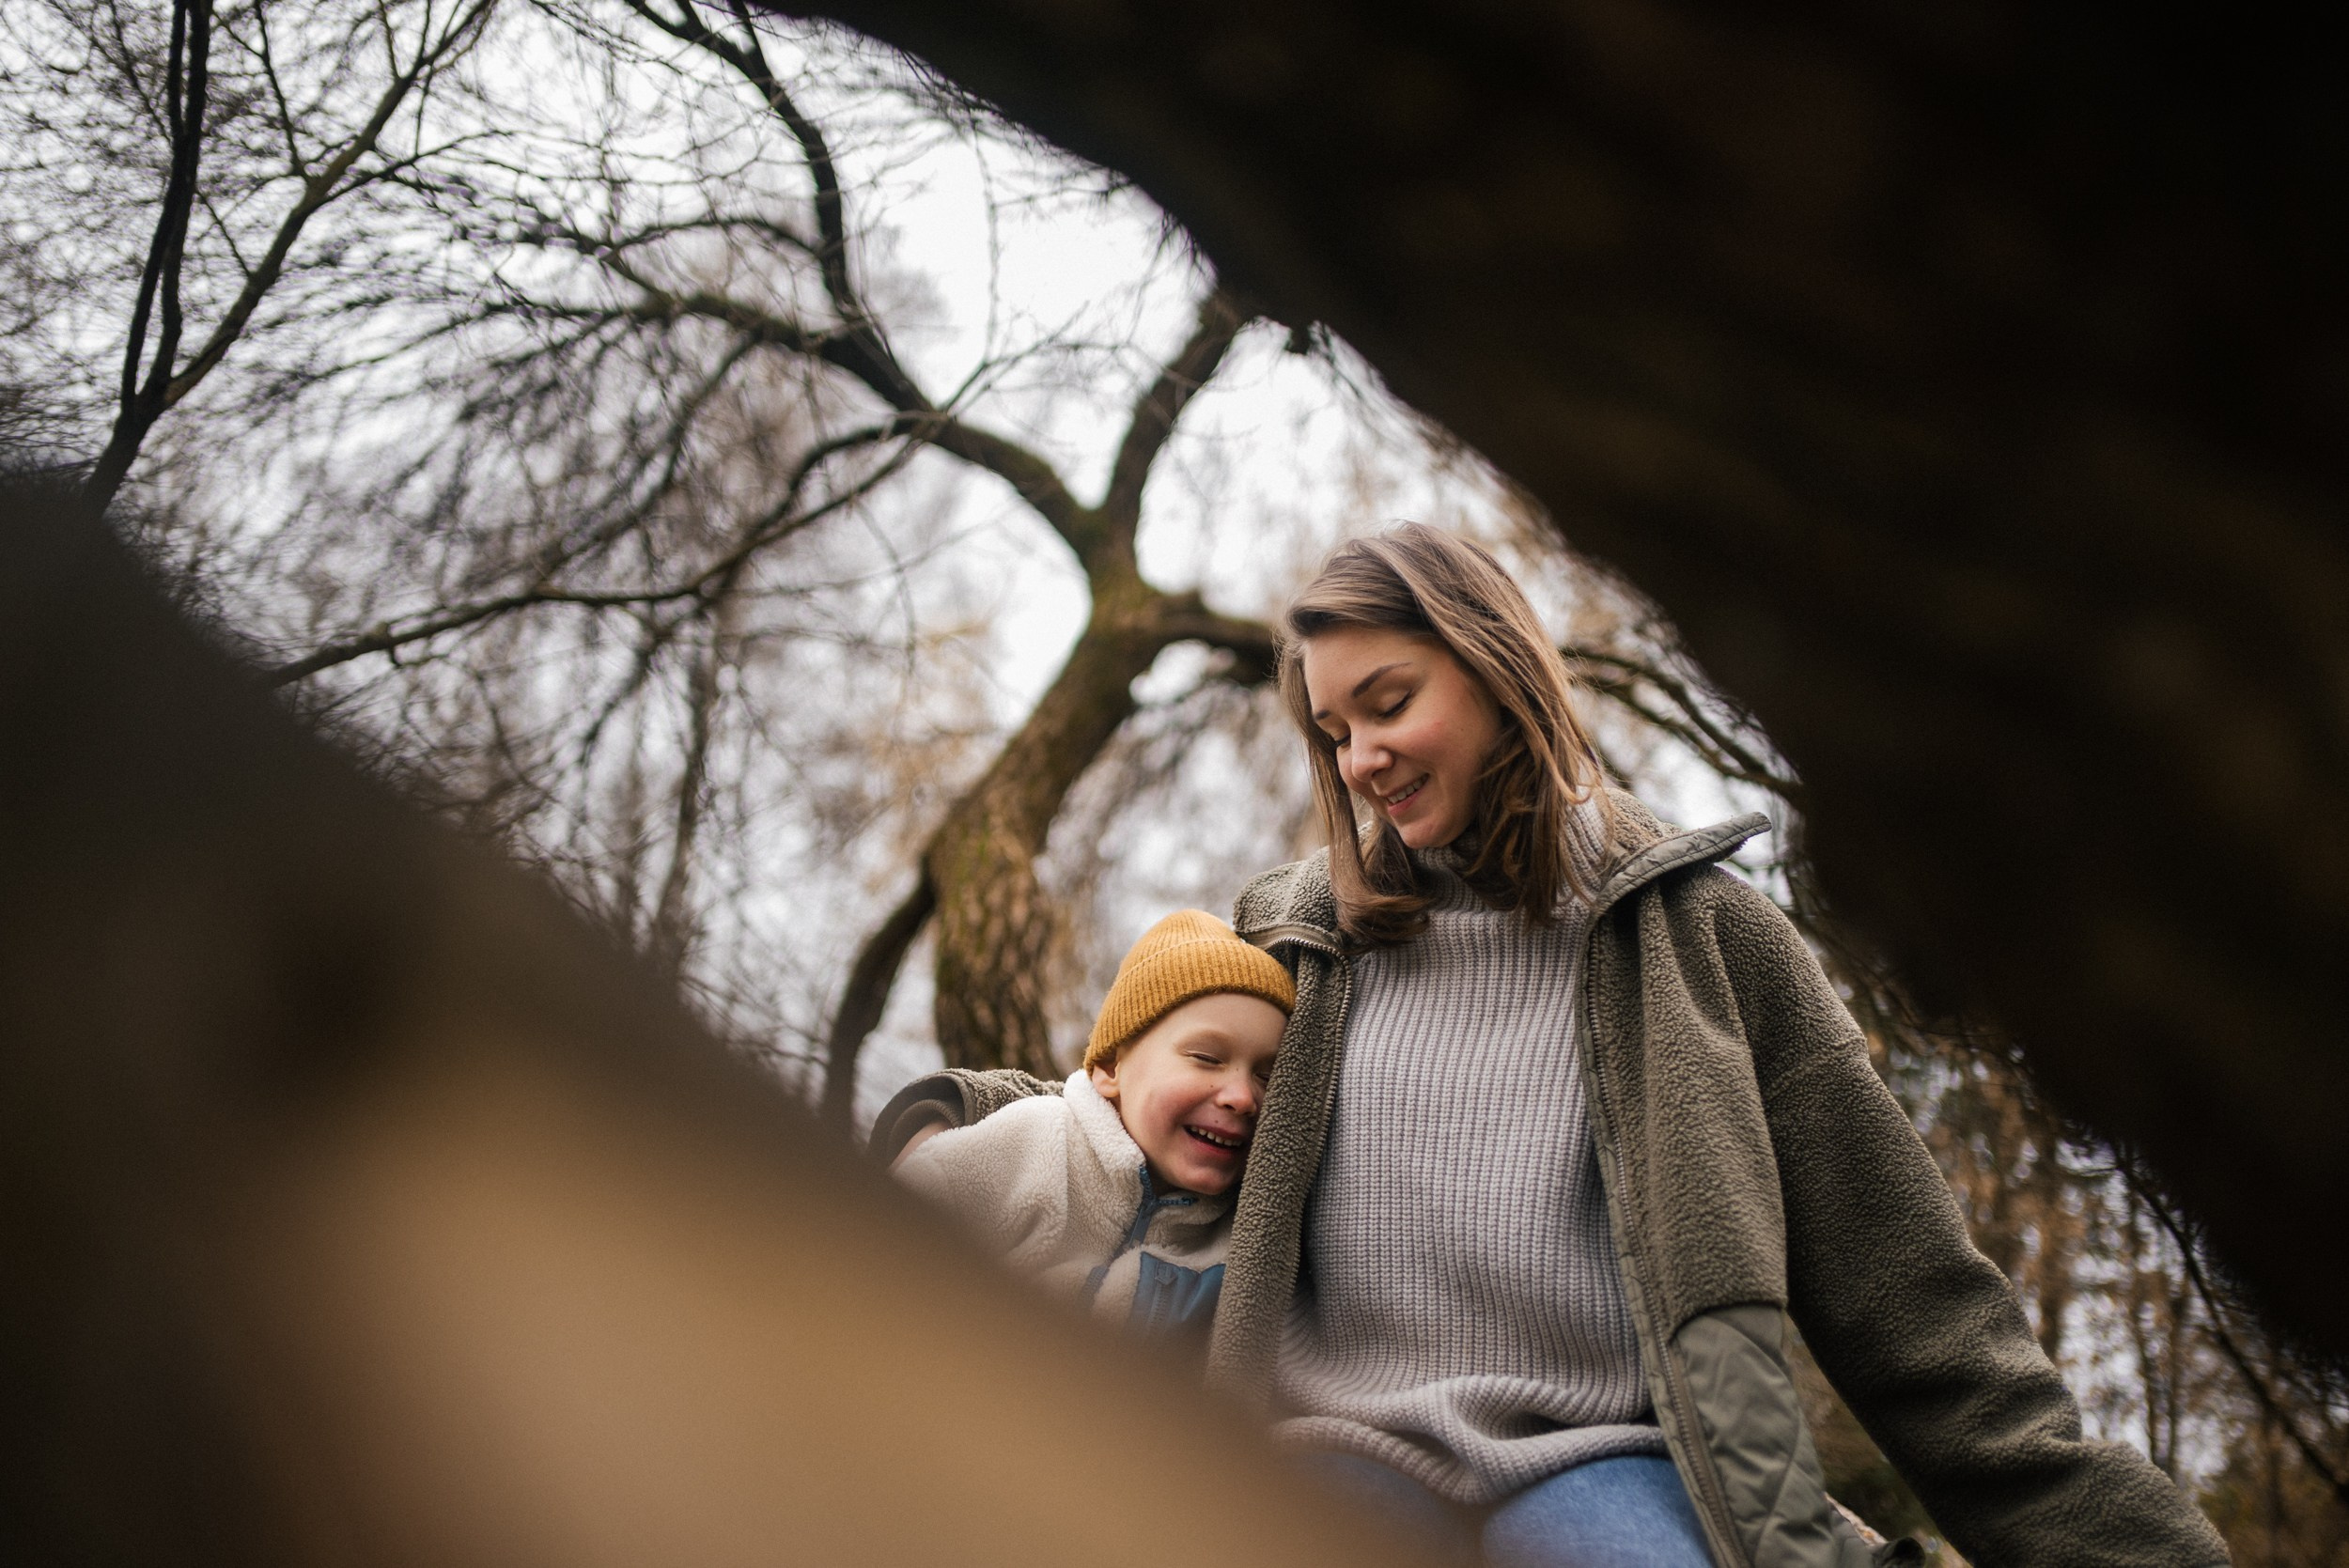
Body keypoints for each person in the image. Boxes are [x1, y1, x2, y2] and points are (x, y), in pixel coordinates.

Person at [872, 526, 2227, 1568]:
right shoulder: (1303, 939)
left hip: (1606, 1462)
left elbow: (1931, 1327)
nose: (1359, 761)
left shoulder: (1706, 944)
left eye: (1389, 702)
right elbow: (1142, 1079)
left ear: (1496, 660)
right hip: (1325, 1445)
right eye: (1332, 733)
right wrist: (945, 1114)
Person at [889, 908, 1291, 1338]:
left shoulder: (1239, 1242)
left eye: (1268, 1076)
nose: (1243, 1097)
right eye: (1207, 1059)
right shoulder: (1033, 1142)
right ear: (1110, 1068)